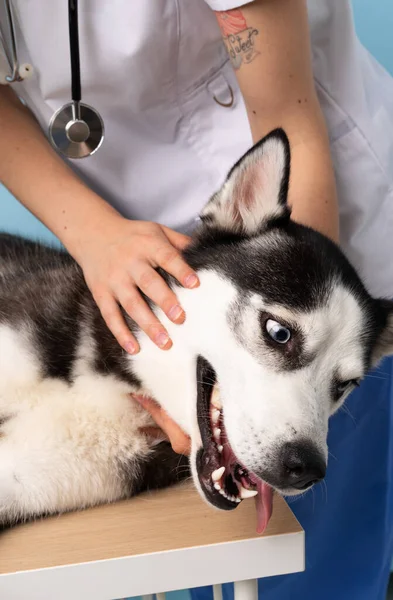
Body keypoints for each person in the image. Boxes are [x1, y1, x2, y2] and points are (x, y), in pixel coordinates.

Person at [0, 1, 392, 598]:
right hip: (134, 243)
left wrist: (239, 392)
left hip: (322, 237)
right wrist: (88, 229)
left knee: (307, 576)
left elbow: (286, 112)